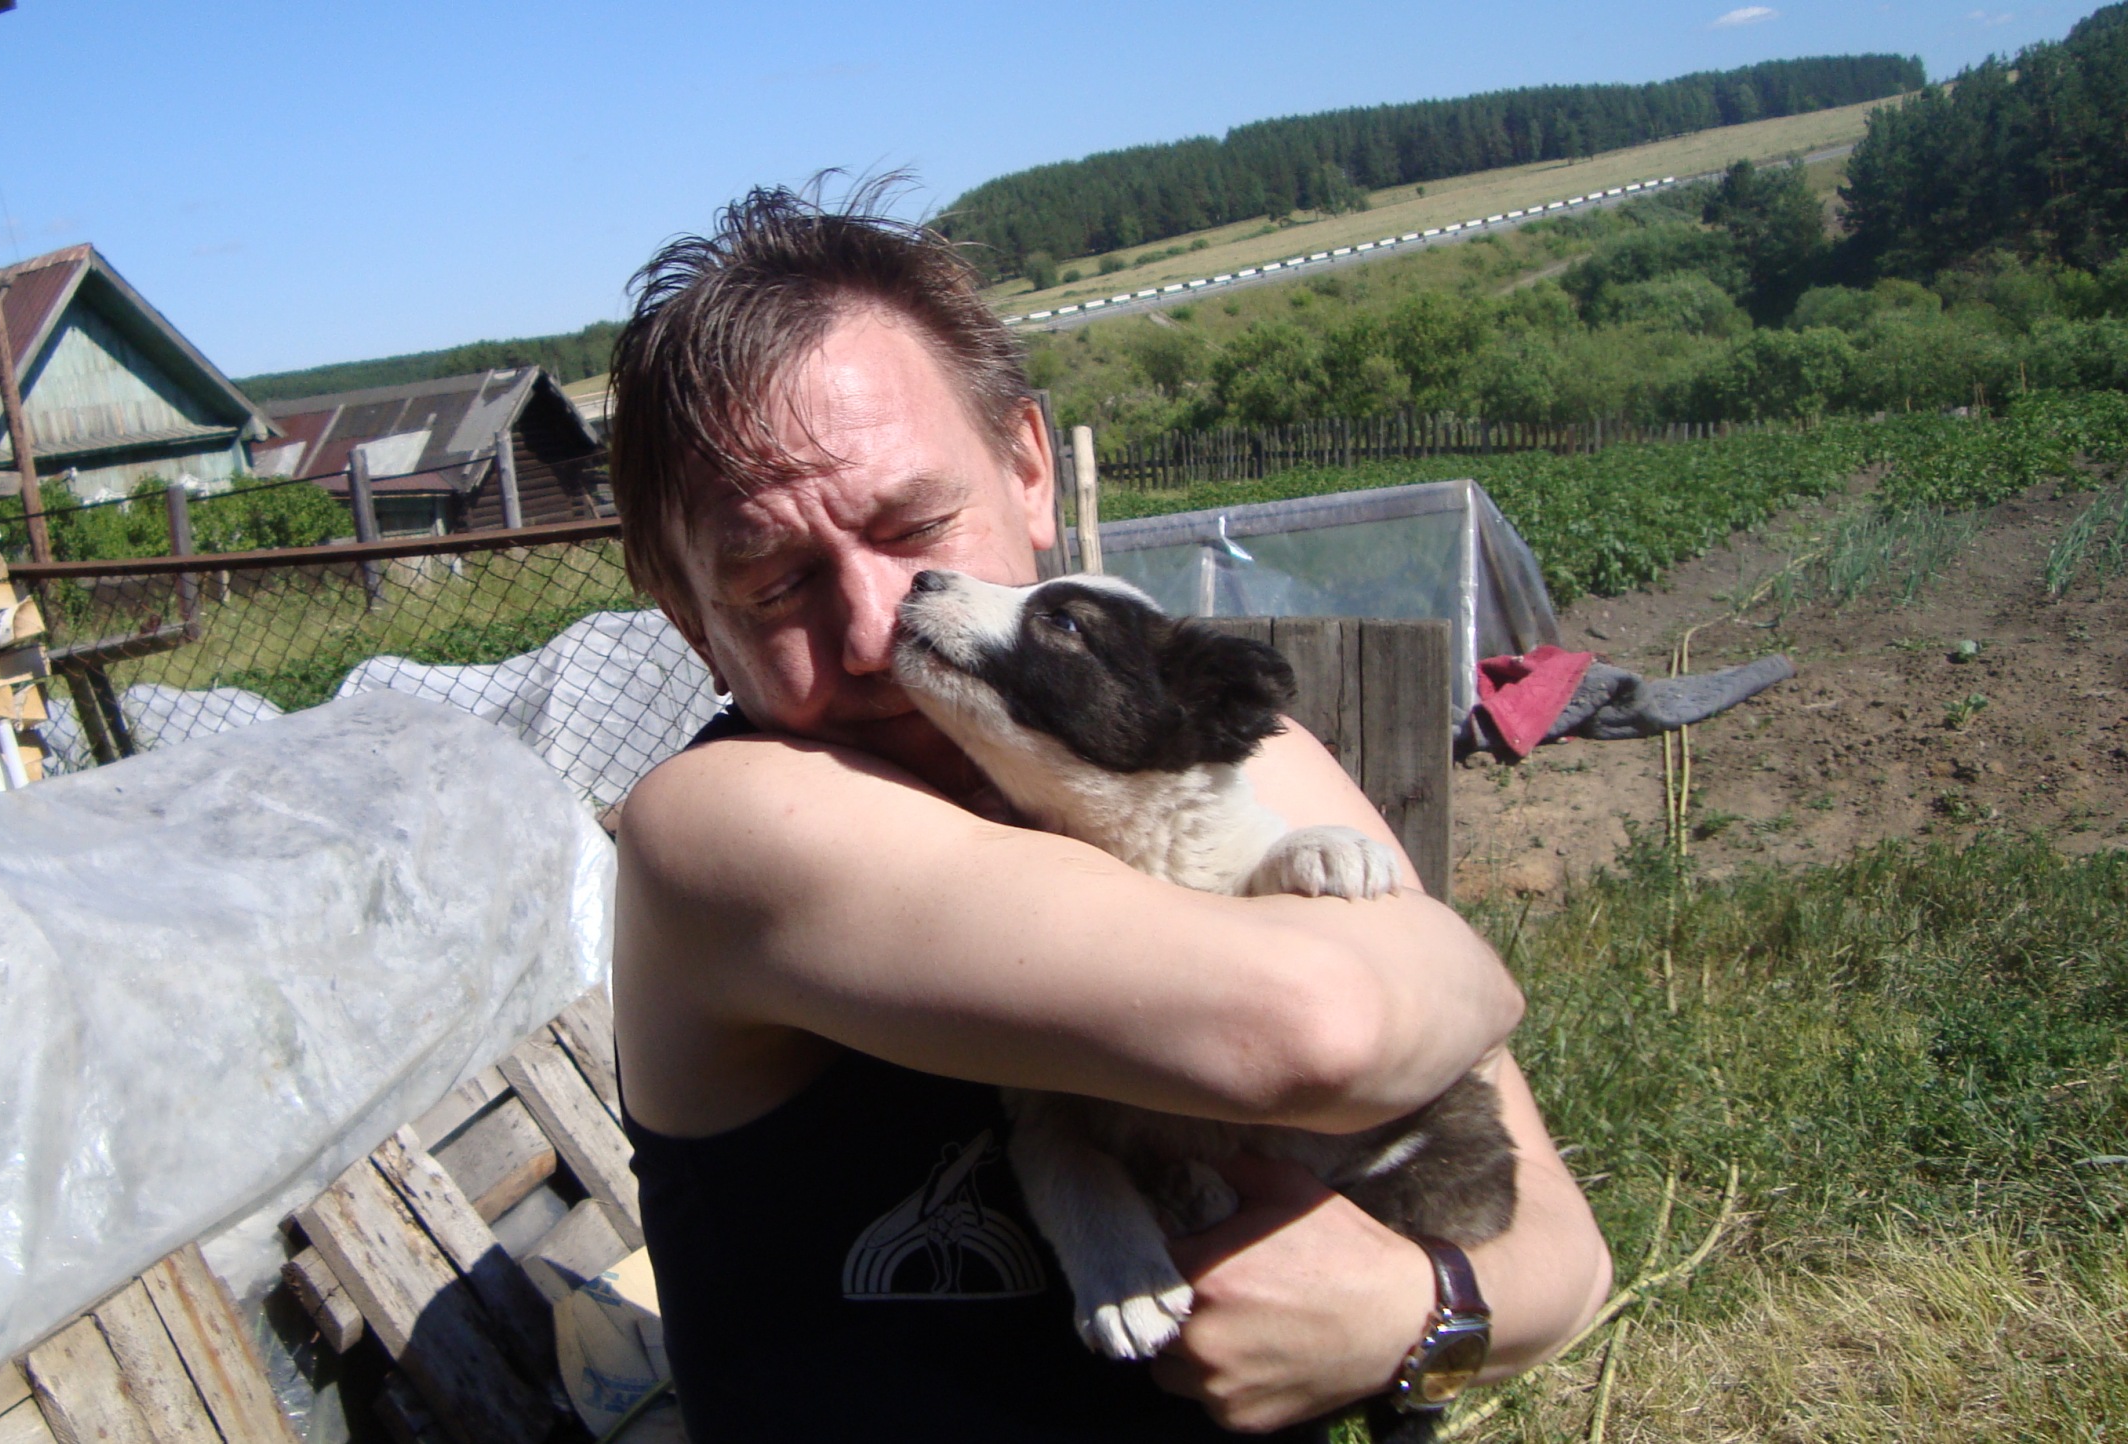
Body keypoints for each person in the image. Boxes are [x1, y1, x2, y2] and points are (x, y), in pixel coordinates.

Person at [607, 180, 1611, 1441]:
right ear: (689, 620)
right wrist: (1458, 969)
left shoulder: (1217, 748)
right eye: (773, 585)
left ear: (1029, 467)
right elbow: (1323, 1026)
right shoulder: (722, 826)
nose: (875, 629)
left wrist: (1416, 1309)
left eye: (916, 525)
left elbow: (1568, 1261)